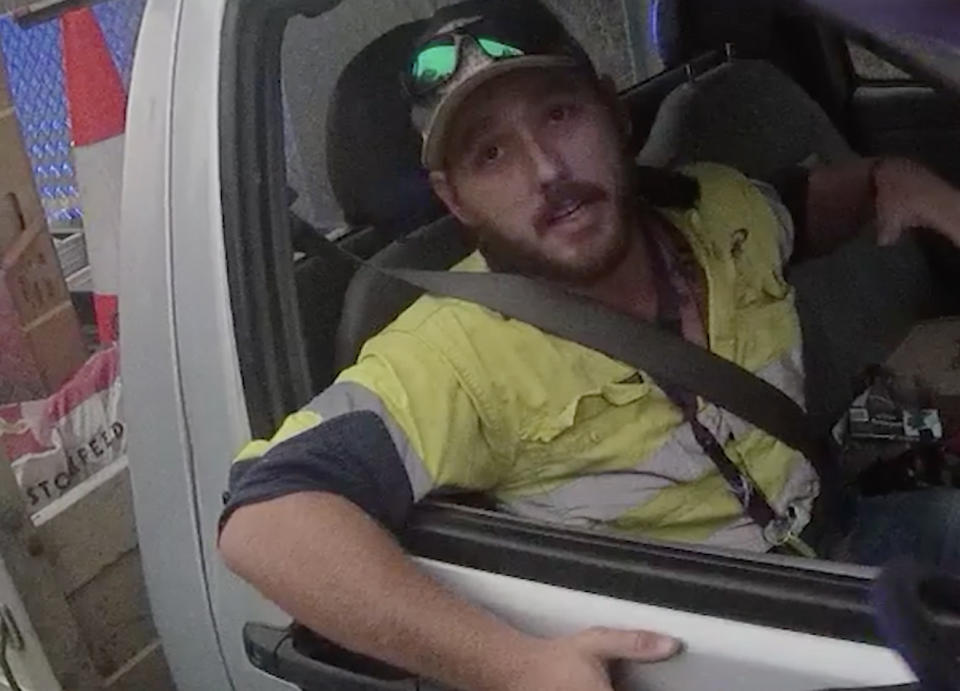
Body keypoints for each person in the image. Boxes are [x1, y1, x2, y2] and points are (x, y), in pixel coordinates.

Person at [219, 2, 960, 689]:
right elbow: (267, 521)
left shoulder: (720, 209)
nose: (547, 172)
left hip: (845, 536)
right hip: (732, 639)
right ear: (453, 198)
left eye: (561, 114)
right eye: (491, 156)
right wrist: (513, 666)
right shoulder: (451, 353)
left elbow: (816, 208)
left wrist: (900, 178)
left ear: (614, 113)